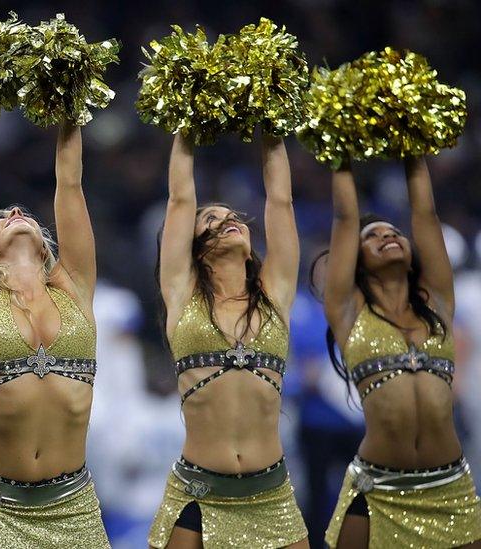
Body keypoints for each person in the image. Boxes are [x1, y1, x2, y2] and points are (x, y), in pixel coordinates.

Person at [0, 121, 109, 549]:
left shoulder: (74, 288)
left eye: (24, 215)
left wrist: (69, 108)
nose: (15, 214)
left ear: (43, 245)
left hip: (73, 506)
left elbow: (70, 184)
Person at [147, 134, 308, 548]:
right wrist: (184, 123)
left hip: (270, 494)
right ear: (197, 250)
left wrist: (272, 126)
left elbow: (281, 201)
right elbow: (180, 200)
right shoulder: (182, 297)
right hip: (196, 497)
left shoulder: (275, 295)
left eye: (232, 215)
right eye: (212, 222)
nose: (228, 220)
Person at [318, 157, 481, 548]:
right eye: (372, 237)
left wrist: (413, 146)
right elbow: (344, 217)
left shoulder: (438, 304)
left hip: (448, 488)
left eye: (394, 232)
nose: (387, 236)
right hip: (378, 489)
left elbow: (424, 212)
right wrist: (339, 149)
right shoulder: (349, 313)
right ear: (355, 261)